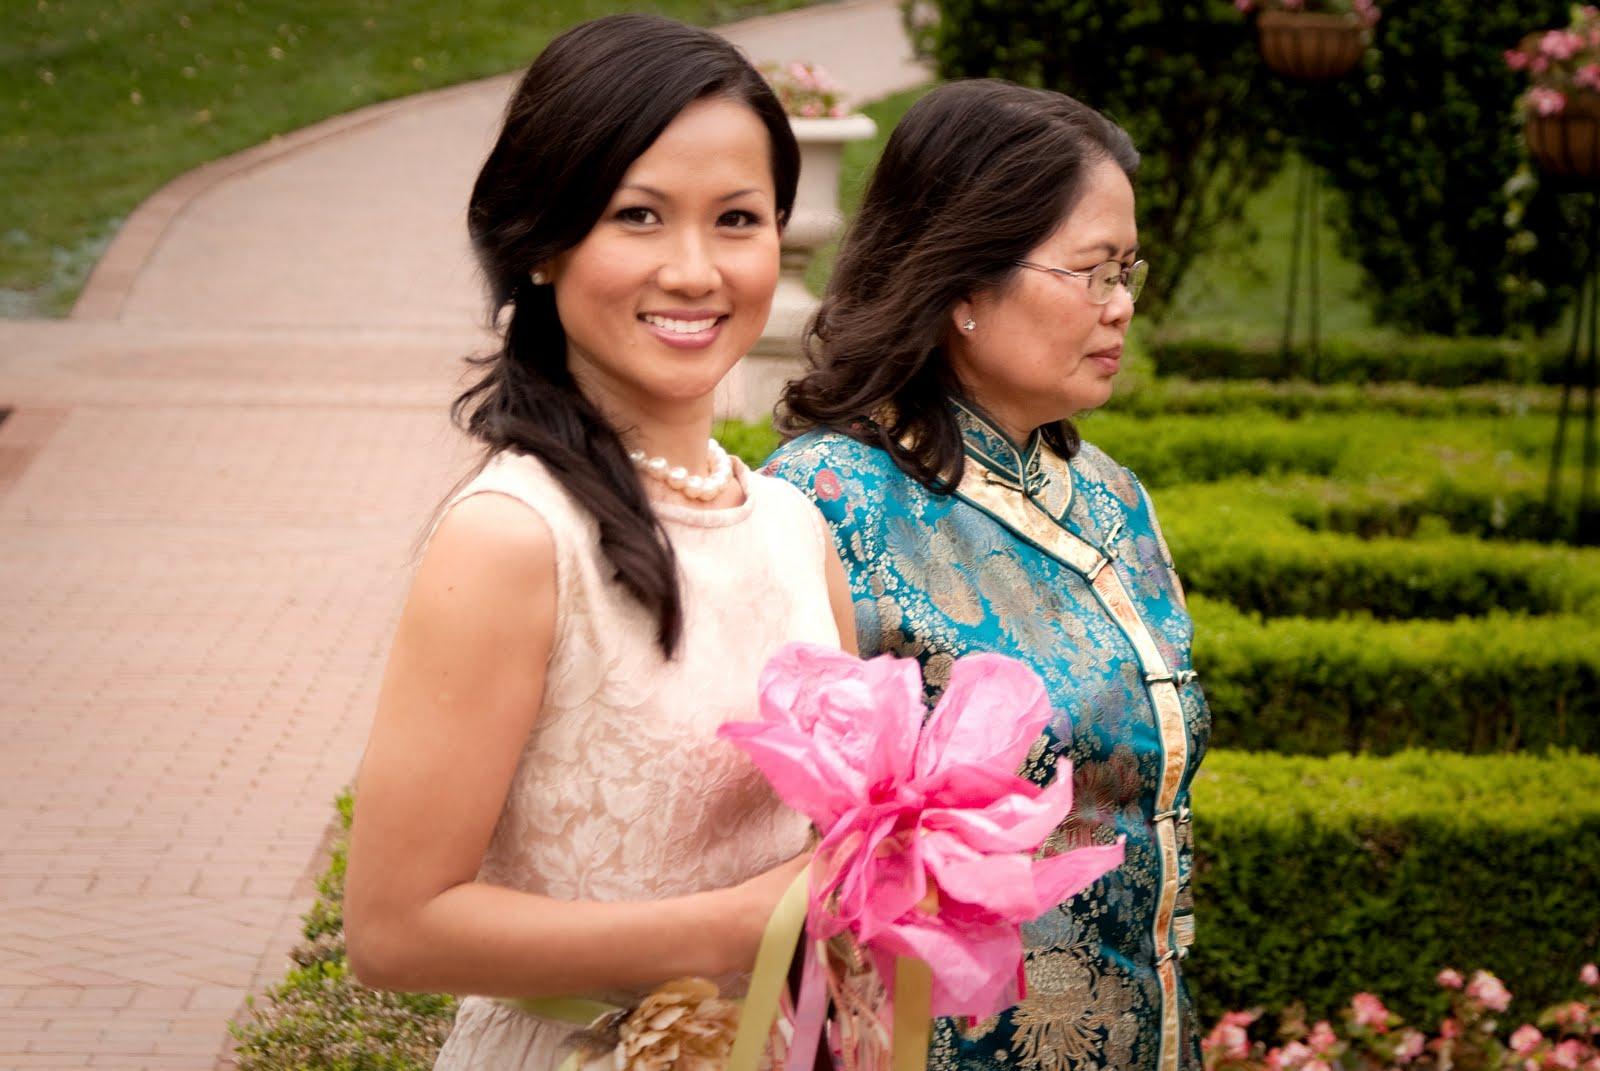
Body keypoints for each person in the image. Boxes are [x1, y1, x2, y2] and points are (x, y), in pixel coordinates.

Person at [342, 15, 856, 1069]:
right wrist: (731, 926)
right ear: (541, 241)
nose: (693, 269)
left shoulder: (797, 530)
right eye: (638, 216)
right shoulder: (515, 538)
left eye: (737, 219)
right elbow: (392, 930)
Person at [765, 80, 1210, 1071]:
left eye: (1128, 268)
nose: (1123, 304)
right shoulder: (823, 506)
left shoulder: (1111, 499)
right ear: (962, 285)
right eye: (1093, 272)